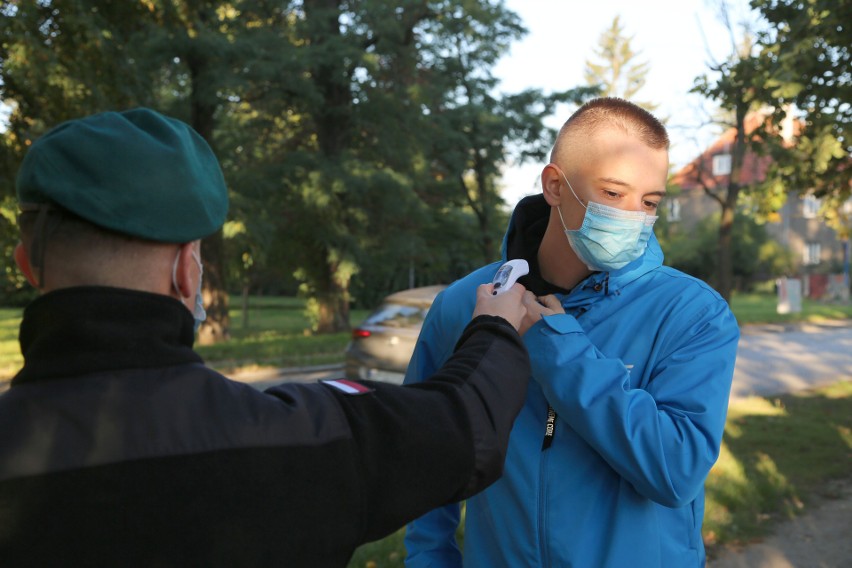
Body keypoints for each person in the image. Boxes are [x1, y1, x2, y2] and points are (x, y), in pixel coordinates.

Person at [0, 108, 534, 567]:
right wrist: (495, 326)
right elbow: (465, 428)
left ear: (28, 265)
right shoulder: (290, 442)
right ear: (188, 271)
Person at [403, 97, 740, 567]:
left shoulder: (693, 312)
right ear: (555, 185)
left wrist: (557, 348)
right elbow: (427, 456)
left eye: (649, 202)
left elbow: (675, 471)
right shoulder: (464, 304)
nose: (633, 216)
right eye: (612, 193)